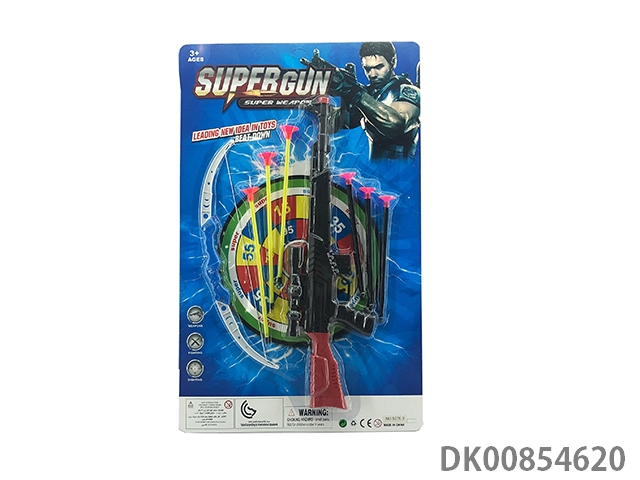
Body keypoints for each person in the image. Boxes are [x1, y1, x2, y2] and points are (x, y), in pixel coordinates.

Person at [326, 42, 420, 160]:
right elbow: (339, 124)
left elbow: (395, 125)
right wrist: (344, 95)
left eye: (379, 67)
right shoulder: (369, 93)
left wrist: (355, 94)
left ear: (393, 62)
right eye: (367, 69)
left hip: (403, 169)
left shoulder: (407, 90)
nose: (372, 74)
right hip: (375, 168)